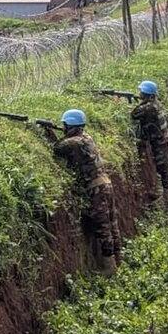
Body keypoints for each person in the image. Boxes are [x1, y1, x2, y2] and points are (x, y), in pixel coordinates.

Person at [43, 110, 121, 274]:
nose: (63, 128)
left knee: (102, 226)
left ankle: (110, 266)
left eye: (65, 125)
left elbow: (57, 149)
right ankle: (117, 259)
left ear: (69, 126)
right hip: (105, 184)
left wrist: (49, 132)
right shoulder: (86, 138)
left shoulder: (74, 142)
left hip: (96, 188)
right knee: (112, 223)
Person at [130, 81, 168, 210]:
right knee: (166, 169)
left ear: (147, 95)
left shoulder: (148, 107)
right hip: (161, 141)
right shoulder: (155, 104)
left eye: (141, 93)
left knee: (164, 170)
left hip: (159, 143)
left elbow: (134, 114)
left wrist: (139, 102)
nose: (139, 93)